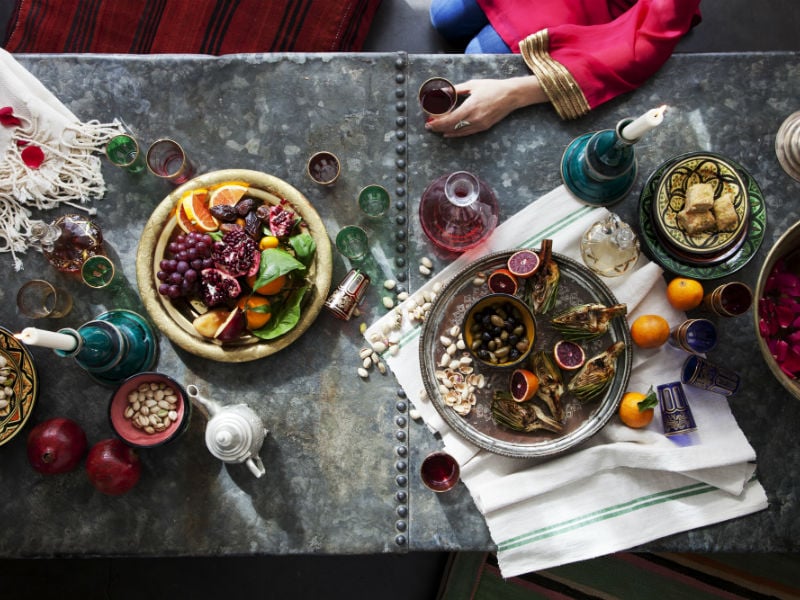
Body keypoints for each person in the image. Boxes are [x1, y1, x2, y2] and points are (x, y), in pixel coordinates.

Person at [426, 0, 701, 137]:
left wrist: (515, 93)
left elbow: (646, 43)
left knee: (477, 53)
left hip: (608, 11)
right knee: (443, 16)